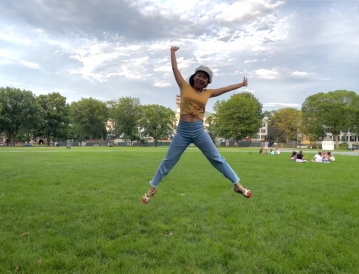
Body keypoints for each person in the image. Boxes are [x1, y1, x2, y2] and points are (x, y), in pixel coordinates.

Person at [142, 46, 252, 204]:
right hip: (183, 131)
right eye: (199, 75)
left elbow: (225, 89)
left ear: (207, 82)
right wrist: (172, 52)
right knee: (169, 160)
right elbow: (175, 68)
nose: (201, 79)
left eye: (205, 78)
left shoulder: (208, 93)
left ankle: (238, 186)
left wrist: (241, 84)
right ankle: (153, 187)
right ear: (194, 77)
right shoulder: (184, 86)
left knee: (217, 159)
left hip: (199, 130)